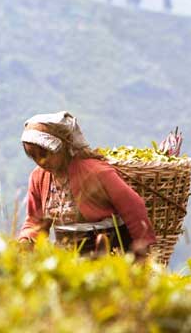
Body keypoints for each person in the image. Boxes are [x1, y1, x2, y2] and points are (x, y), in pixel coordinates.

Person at [15, 111, 155, 261]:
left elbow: (133, 207)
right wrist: (26, 241)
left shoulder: (97, 172)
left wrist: (142, 254)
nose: (40, 162)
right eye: (33, 156)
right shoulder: (39, 177)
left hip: (109, 253)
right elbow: (35, 221)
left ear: (63, 148)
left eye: (44, 154)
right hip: (67, 257)